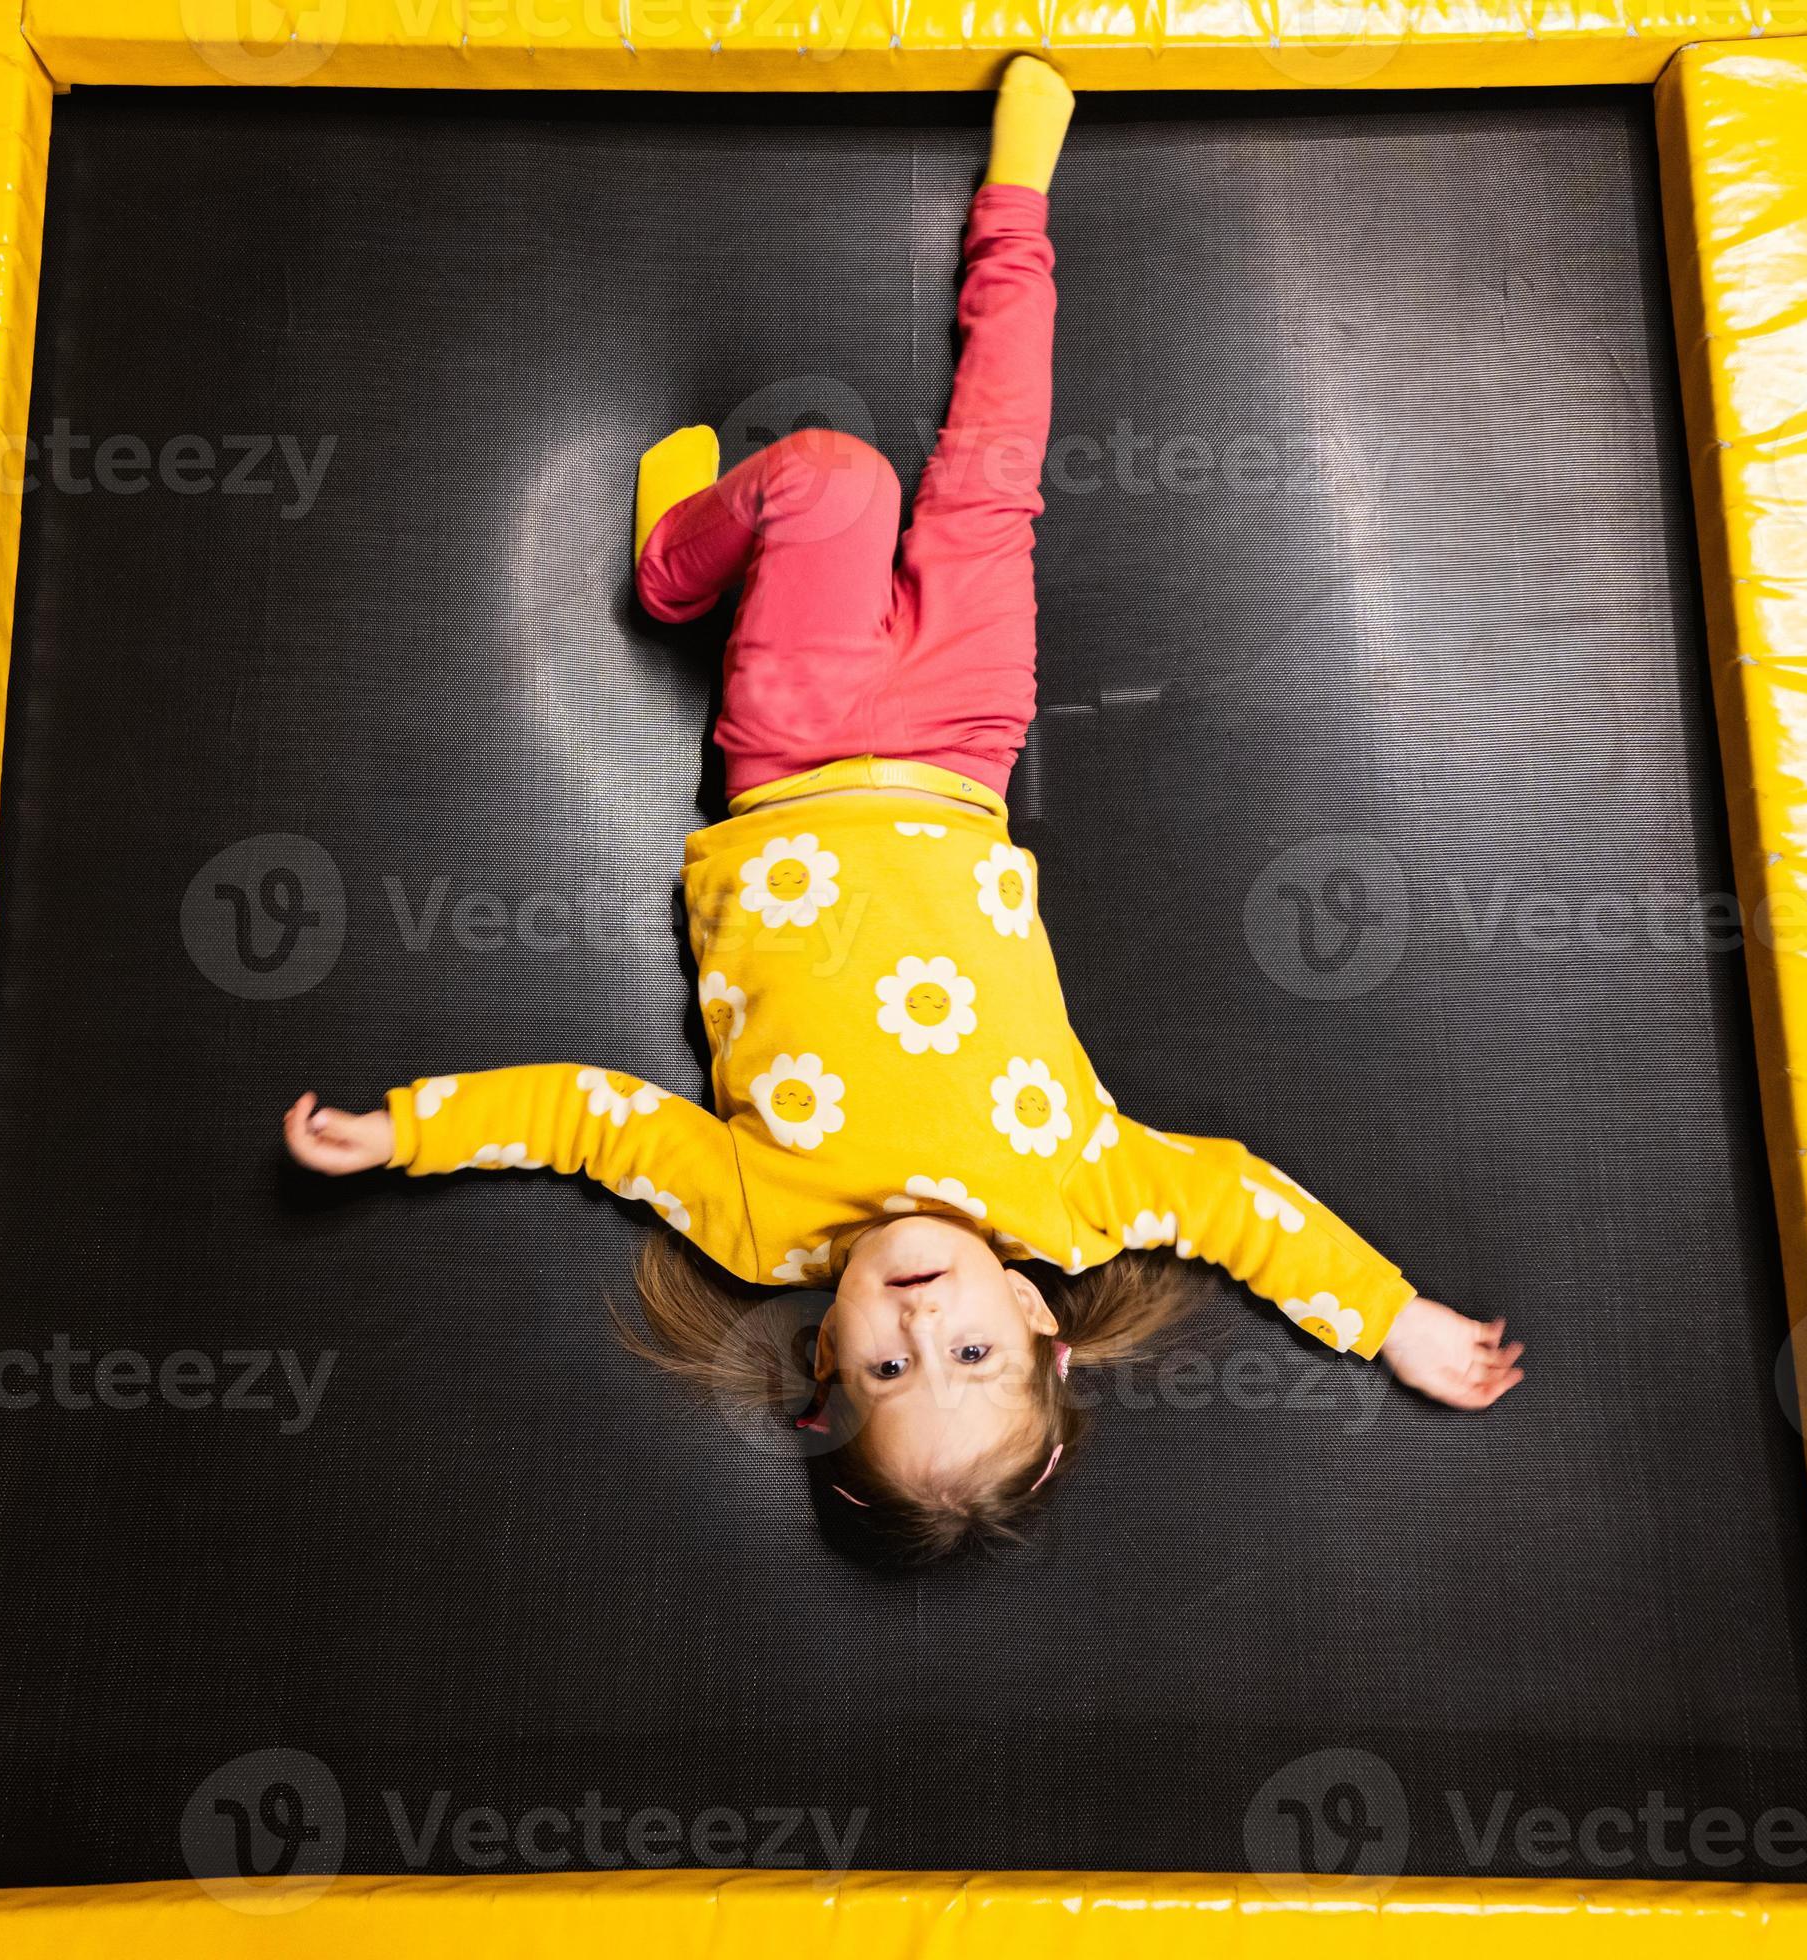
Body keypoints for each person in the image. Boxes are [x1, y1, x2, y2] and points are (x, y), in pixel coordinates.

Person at [285, 56, 1522, 1560]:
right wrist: (1390, 1323)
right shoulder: (1082, 1198)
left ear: (824, 1360)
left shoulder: (758, 1221)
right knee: (994, 478)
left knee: (836, 479)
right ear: (1039, 1325)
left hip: (793, 756)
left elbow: (580, 1121)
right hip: (960, 748)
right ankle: (1019, 199)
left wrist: (408, 1130)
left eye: (883, 1369)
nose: (922, 1324)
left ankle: (674, 560)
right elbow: (1250, 1214)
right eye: (973, 1358)